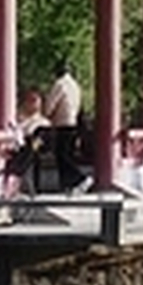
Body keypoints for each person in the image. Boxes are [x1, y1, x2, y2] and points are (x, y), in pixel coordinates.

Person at [46, 63, 88, 191]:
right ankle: (67, 184)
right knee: (68, 154)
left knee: (62, 155)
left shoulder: (60, 84)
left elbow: (51, 103)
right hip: (73, 122)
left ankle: (80, 178)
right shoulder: (75, 85)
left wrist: (47, 114)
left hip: (62, 123)